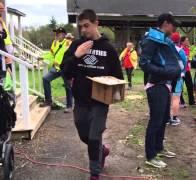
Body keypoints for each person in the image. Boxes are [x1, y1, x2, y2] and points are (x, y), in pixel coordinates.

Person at [61, 9, 124, 180]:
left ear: (97, 23)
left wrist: (108, 85)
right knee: (84, 135)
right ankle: (101, 151)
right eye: (80, 27)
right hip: (81, 100)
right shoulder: (76, 45)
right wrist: (76, 56)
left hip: (99, 102)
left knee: (95, 137)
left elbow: (119, 77)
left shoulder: (108, 49)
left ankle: (94, 173)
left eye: (86, 26)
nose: (83, 30)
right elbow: (65, 72)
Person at [139, 13, 181, 168]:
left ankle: (159, 148)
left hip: (165, 84)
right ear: (165, 23)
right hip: (156, 86)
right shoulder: (152, 39)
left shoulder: (163, 39)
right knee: (155, 121)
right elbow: (144, 63)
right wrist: (165, 72)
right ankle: (150, 156)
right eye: (173, 24)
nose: (175, 28)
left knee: (164, 119)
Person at [40, 27, 73, 113]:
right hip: (57, 68)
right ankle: (48, 100)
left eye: (58, 33)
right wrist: (42, 57)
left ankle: (69, 106)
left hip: (66, 69)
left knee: (68, 87)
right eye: (56, 33)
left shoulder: (69, 43)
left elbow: (72, 56)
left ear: (64, 35)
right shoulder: (54, 43)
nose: (56, 35)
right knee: (45, 79)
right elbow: (51, 54)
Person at [168, 32, 187, 126]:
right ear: (179, 40)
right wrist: (183, 72)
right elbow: (185, 64)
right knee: (176, 98)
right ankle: (174, 118)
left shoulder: (166, 50)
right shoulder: (181, 51)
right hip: (178, 76)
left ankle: (166, 118)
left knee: (167, 97)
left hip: (166, 76)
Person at [180, 36, 196, 106]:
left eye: (188, 40)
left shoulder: (188, 49)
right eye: (186, 40)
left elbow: (188, 59)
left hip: (187, 70)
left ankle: (191, 101)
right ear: (182, 42)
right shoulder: (180, 49)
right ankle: (181, 102)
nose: (188, 42)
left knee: (190, 86)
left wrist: (189, 60)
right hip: (181, 71)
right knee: (180, 86)